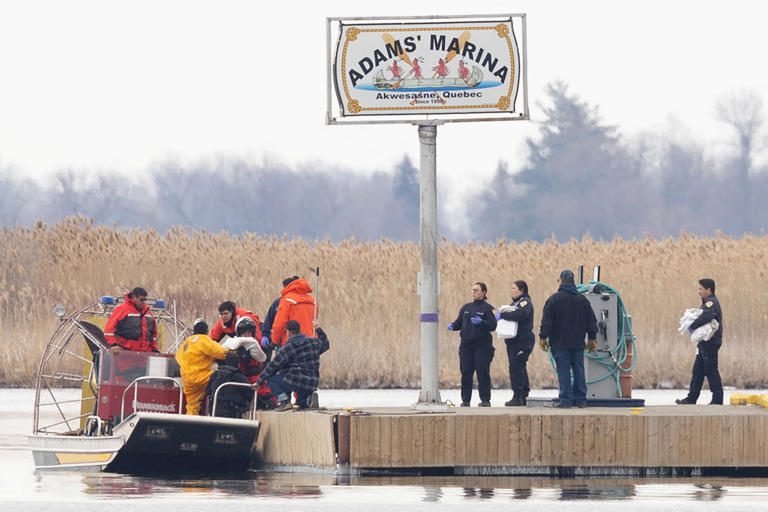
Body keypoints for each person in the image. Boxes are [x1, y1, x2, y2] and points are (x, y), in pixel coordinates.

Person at [539, 270, 598, 408]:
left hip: (560, 342)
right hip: (578, 343)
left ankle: (566, 400)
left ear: (561, 281)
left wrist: (543, 337)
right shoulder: (583, 300)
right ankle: (581, 399)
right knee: (579, 370)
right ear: (573, 282)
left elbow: (547, 321)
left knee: (564, 370)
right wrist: (592, 338)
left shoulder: (554, 299)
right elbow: (591, 321)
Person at [258, 320, 330, 411]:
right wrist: (318, 329)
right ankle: (308, 401)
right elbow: (326, 344)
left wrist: (259, 381)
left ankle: (284, 401)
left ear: (288, 332)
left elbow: (273, 366)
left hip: (295, 381)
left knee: (271, 380)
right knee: (300, 405)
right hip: (311, 382)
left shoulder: (288, 348)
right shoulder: (313, 343)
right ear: (299, 330)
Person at [448, 282, 497, 407]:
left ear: (484, 292)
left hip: (482, 345)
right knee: (466, 372)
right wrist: (453, 326)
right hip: (466, 346)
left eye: (476, 290)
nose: (473, 292)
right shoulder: (466, 308)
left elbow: (493, 326)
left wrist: (482, 322)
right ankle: (465, 400)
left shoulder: (488, 308)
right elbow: (459, 323)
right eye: (472, 290)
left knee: (482, 372)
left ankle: (485, 400)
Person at [676, 278, 724, 405]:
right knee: (698, 370)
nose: (699, 291)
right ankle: (692, 398)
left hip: (711, 342)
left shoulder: (711, 303)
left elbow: (707, 315)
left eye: (701, 289)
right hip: (704, 342)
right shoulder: (707, 302)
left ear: (709, 290)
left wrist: (692, 325)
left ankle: (717, 399)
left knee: (711, 369)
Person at [175, 319, 232, 415]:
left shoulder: (187, 343)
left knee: (192, 405)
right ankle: (217, 411)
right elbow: (221, 352)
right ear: (206, 331)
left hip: (187, 380)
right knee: (222, 380)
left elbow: (178, 358)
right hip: (202, 377)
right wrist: (231, 353)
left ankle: (191, 424)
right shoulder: (204, 340)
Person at [496, 280, 535, 406]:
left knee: (517, 367)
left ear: (522, 290)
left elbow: (520, 314)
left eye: (514, 288)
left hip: (523, 340)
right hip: (514, 341)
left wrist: (503, 315)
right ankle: (522, 394)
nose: (511, 290)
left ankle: (519, 395)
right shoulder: (514, 303)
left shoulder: (525, 302)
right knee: (518, 366)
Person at [104, 287, 159, 352]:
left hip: (144, 354)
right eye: (141, 300)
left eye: (145, 300)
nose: (143, 302)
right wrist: (113, 345)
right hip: (125, 353)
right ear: (134, 297)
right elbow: (109, 329)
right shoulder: (122, 309)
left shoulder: (148, 312)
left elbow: (153, 335)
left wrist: (154, 349)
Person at [271, 277, 316, 348]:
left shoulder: (287, 299)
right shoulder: (313, 301)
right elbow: (314, 323)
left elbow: (280, 323)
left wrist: (274, 341)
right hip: (310, 343)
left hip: (291, 343)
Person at [261, 276, 299, 357]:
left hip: (285, 342)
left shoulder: (288, 303)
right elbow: (269, 319)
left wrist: (274, 341)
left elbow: (279, 324)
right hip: (284, 342)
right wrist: (265, 335)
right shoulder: (278, 302)